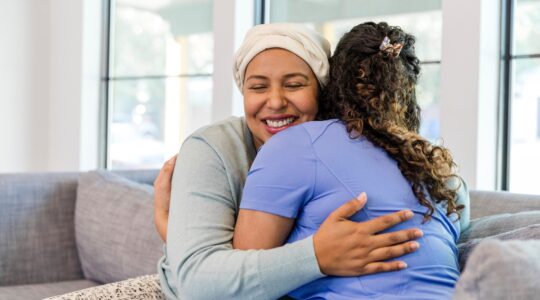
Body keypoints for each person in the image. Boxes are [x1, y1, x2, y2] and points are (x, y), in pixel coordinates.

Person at [155, 23, 424, 300]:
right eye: (258, 87)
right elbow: (198, 281)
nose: (275, 102)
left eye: (294, 85)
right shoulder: (212, 148)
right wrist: (317, 256)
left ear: (323, 90)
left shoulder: (345, 147)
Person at [233, 22, 469, 299]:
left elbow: (240, 282)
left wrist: (168, 225)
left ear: (331, 85)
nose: (275, 101)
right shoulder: (442, 172)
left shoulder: (296, 144)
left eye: (295, 84)